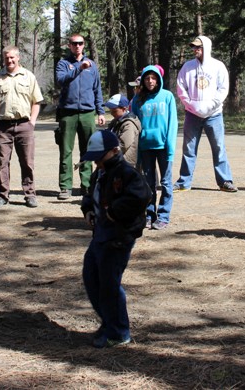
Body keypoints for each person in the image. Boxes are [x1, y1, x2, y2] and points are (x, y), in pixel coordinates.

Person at [80, 130, 151, 348]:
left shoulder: (126, 173)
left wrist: (114, 212)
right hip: (100, 235)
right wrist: (88, 211)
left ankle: (119, 332)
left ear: (114, 151)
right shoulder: (99, 173)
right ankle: (109, 322)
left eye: (100, 157)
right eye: (94, 158)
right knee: (91, 275)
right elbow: (89, 195)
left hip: (118, 236)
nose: (97, 162)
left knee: (109, 283)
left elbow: (143, 196)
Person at [174, 35, 237, 192]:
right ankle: (184, 181)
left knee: (218, 147)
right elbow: (181, 88)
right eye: (194, 47)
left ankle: (224, 181)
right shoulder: (187, 67)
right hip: (192, 114)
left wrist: (211, 105)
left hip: (214, 114)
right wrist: (191, 105)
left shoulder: (218, 66)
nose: (195, 50)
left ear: (206, 48)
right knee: (189, 148)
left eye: (198, 47)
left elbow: (223, 89)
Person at [0, 46, 45, 208]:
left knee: (27, 162)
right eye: (6, 58)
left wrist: (32, 122)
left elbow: (37, 101)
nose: (9, 60)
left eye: (12, 57)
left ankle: (30, 194)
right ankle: (3, 195)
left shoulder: (28, 76)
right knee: (2, 163)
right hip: (3, 127)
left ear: (18, 58)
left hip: (24, 125)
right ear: (3, 59)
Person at [55, 34, 105, 200]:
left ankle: (87, 185)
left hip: (87, 113)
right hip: (67, 113)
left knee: (88, 151)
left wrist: (101, 111)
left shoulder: (92, 65)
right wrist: (78, 69)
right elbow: (60, 80)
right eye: (74, 43)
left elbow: (97, 89)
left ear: (84, 45)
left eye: (80, 43)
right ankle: (65, 186)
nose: (77, 46)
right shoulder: (63, 63)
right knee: (66, 151)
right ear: (69, 45)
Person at [131, 65, 178, 230]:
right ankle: (150, 215)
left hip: (163, 146)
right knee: (148, 183)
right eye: (147, 78)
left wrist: (170, 147)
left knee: (165, 182)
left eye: (153, 77)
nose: (150, 81)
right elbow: (134, 125)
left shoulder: (167, 97)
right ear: (143, 80)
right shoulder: (138, 99)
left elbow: (173, 123)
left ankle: (164, 216)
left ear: (158, 79)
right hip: (145, 146)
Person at [104, 94, 141, 167]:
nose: (111, 113)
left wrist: (107, 153)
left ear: (124, 109)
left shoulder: (129, 124)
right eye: (110, 110)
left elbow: (123, 145)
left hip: (125, 163)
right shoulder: (116, 121)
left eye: (114, 111)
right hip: (117, 160)